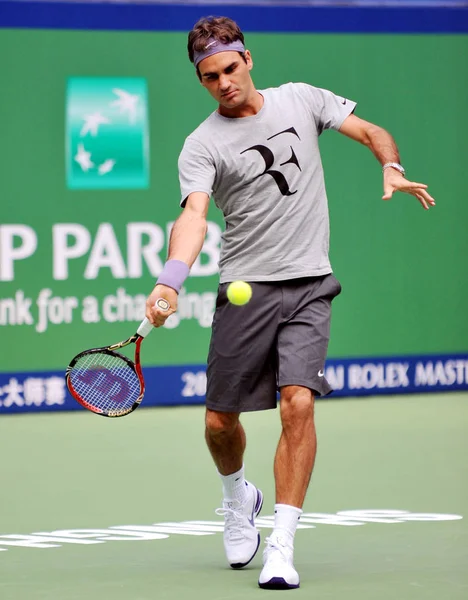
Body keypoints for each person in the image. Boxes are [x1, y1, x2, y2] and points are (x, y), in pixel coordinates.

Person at [145, 16, 435, 590]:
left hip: (309, 283)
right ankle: (237, 497)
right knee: (218, 421)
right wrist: (170, 279)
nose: (223, 83)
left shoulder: (302, 100)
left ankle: (282, 543)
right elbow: (195, 217)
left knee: (297, 402)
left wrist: (392, 167)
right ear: (201, 80)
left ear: (247, 59)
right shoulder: (201, 144)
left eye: (230, 69)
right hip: (243, 290)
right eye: (210, 77)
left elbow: (372, 131)